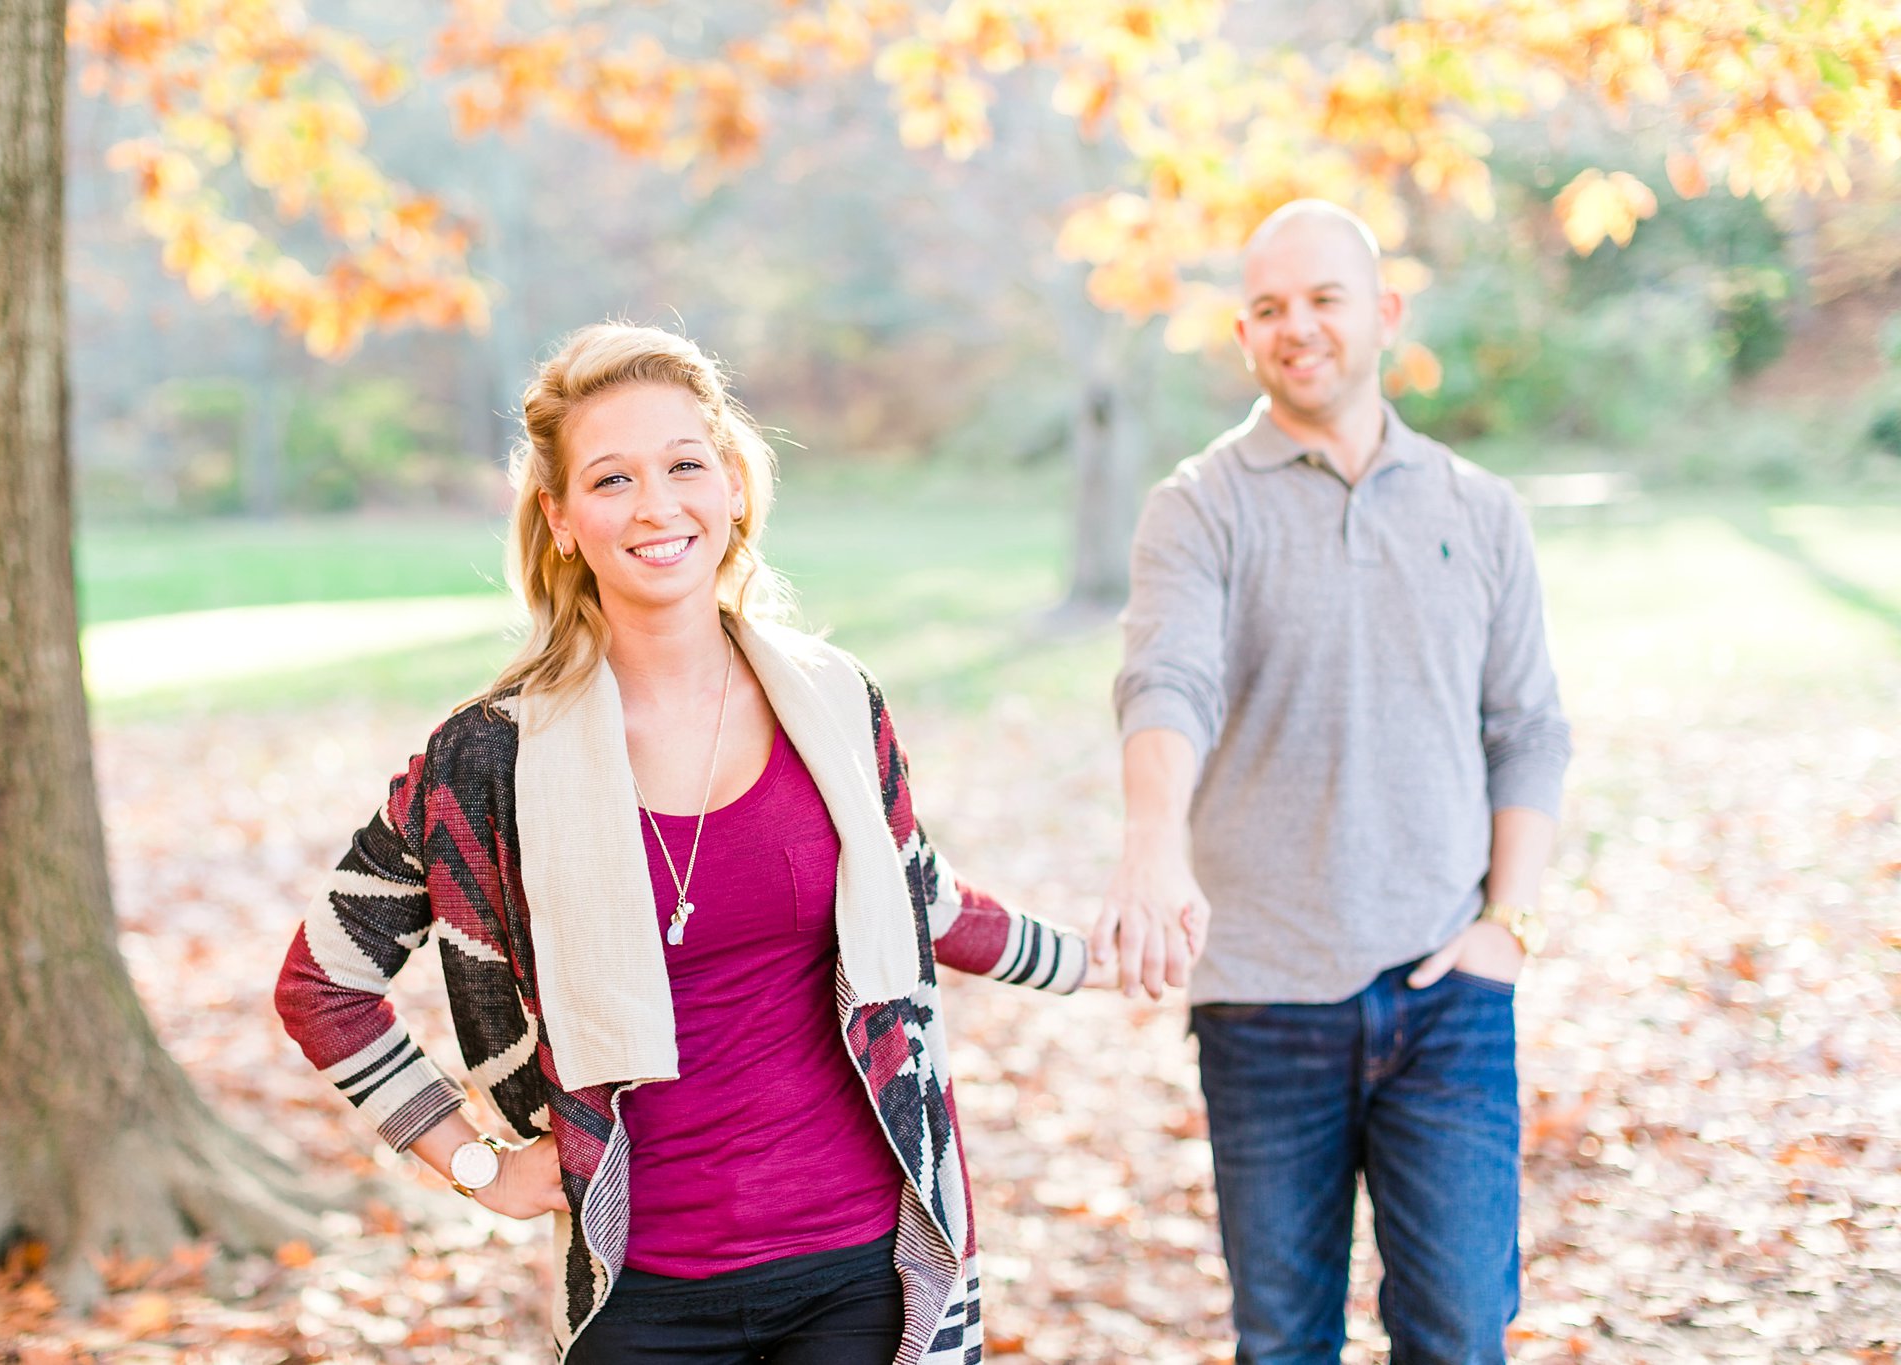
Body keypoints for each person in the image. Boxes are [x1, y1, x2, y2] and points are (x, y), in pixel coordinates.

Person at [274, 322, 1089, 1364]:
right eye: (611, 479)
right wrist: (476, 1163)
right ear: (560, 520)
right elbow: (322, 983)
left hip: (861, 1271)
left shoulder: (834, 706)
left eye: (684, 465)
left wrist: (1089, 957)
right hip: (643, 1293)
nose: (656, 505)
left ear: (734, 488)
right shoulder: (489, 760)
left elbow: (917, 898)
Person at [1097, 201, 1572, 1364]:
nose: (1294, 327)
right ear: (1243, 333)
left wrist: (1505, 927)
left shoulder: (1478, 507)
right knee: (1283, 1343)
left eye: (1321, 299)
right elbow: (1166, 681)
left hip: (1446, 992)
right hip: (1261, 1002)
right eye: (1267, 308)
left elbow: (1528, 732)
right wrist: (1150, 844)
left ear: (1384, 315)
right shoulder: (1198, 505)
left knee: (1459, 1333)